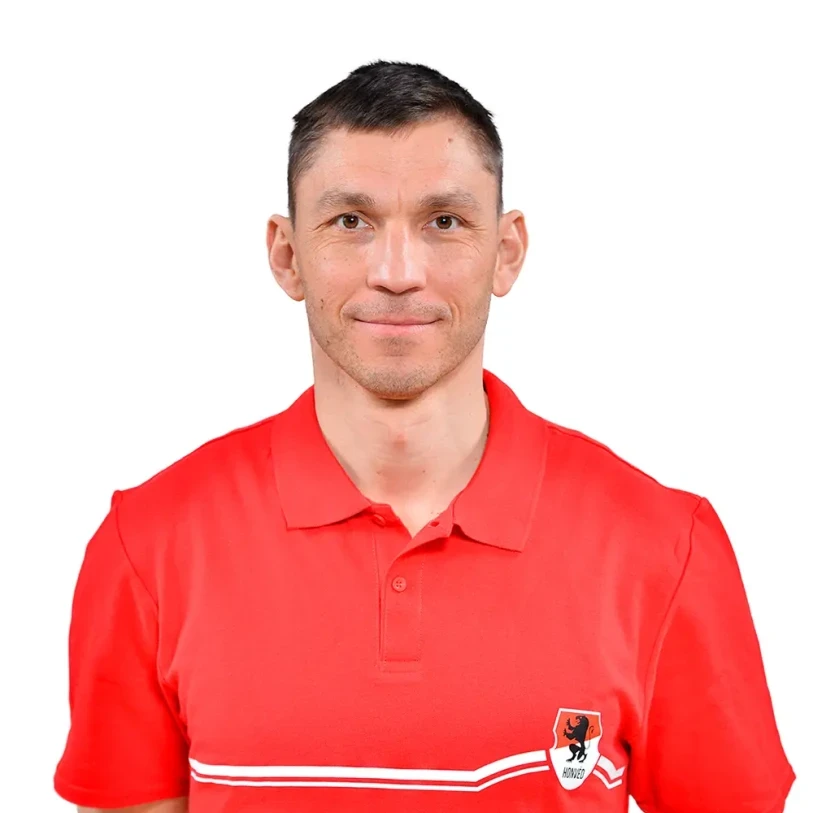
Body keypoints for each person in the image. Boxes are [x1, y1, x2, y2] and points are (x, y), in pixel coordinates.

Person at [53, 60, 796, 813]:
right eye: (351, 221)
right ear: (286, 255)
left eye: (444, 221)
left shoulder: (664, 546)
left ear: (507, 251)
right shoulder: (148, 546)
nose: (397, 272)